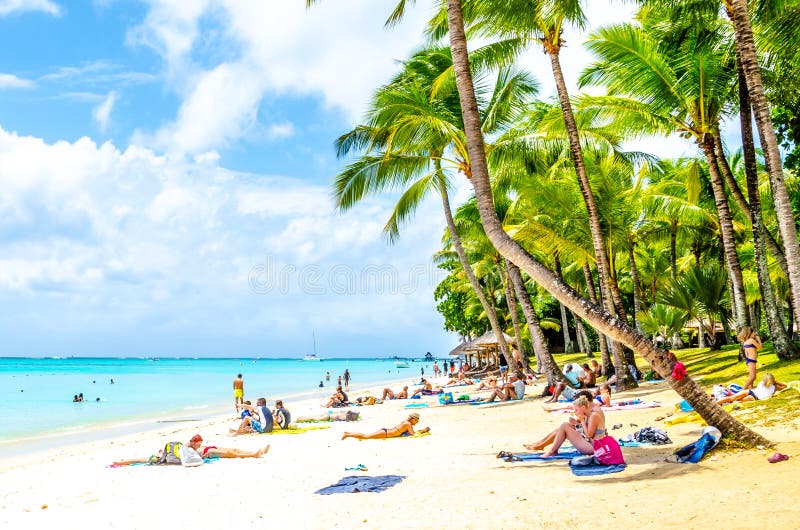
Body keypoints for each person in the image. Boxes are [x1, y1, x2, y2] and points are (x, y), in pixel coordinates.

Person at [112, 434, 269, 466]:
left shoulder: (183, 447)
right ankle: (255, 454)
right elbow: (140, 459)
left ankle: (255, 453)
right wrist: (121, 462)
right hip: (209, 452)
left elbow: (141, 459)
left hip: (209, 450)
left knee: (233, 450)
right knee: (233, 453)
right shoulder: (161, 457)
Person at [541, 396, 607, 457]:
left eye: (576, 410)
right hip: (590, 443)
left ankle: (552, 451)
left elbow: (589, 436)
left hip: (595, 447)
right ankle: (554, 450)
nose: (575, 412)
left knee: (564, 426)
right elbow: (585, 432)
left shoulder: (594, 416)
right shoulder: (587, 415)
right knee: (566, 425)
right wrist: (576, 423)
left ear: (583, 408)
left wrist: (582, 421)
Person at [527, 390, 595, 449]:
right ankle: (540, 443)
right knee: (560, 428)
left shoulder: (592, 413)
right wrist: (575, 422)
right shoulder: (586, 411)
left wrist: (579, 421)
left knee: (563, 427)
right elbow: (579, 423)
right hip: (585, 435)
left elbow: (589, 435)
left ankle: (541, 445)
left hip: (588, 441)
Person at [341, 413, 430, 440]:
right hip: (386, 433)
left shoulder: (406, 422)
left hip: (386, 431)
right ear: (413, 419)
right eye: (416, 421)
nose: (417, 423)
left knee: (366, 435)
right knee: (365, 436)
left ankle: (348, 433)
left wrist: (423, 430)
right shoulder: (408, 424)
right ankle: (348, 435)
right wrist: (424, 431)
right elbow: (413, 434)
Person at [717, 373, 785, 405]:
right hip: (755, 397)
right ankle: (721, 403)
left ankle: (717, 403)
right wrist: (775, 382)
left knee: (732, 398)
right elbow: (785, 386)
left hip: (751, 392)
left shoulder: (761, 383)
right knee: (737, 401)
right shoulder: (775, 387)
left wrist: (774, 382)